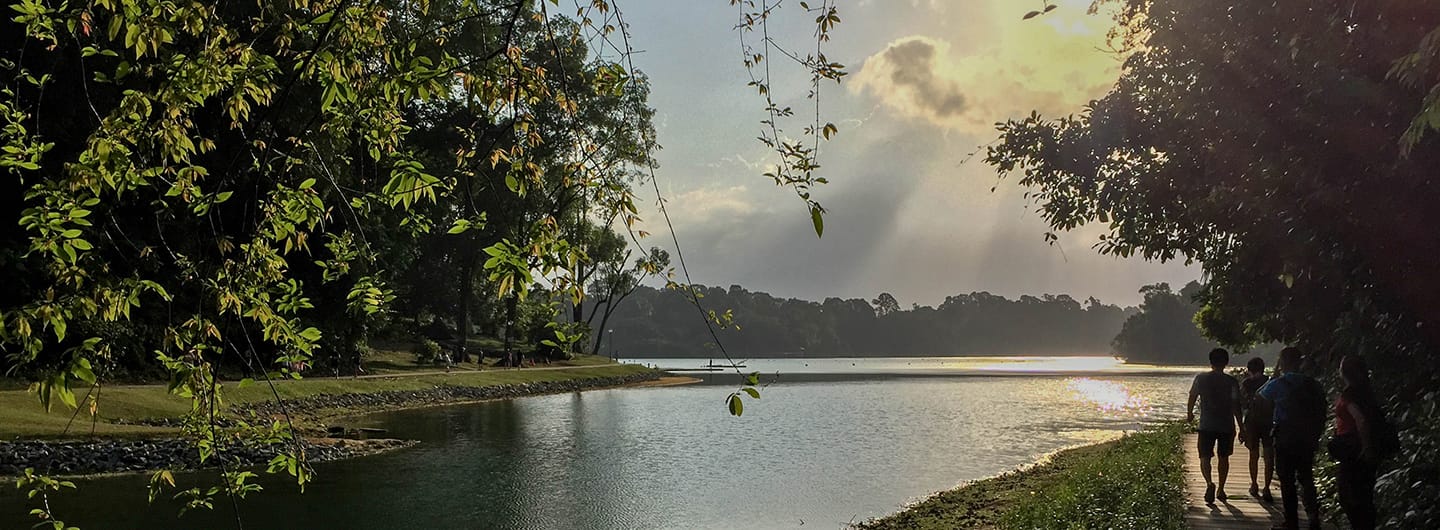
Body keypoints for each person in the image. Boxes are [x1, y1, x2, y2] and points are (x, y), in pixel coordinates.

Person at [1260, 347, 1327, 530]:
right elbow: (1322, 410)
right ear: (1300, 361)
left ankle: (1291, 522)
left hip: (1285, 436)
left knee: (1287, 479)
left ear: (1282, 362)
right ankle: (1314, 517)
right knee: (1306, 477)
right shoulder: (1313, 384)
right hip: (1307, 437)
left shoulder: (1278, 383)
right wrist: (1316, 434)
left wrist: (1275, 373)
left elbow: (1260, 397)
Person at [1187, 347, 1244, 505]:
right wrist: (1242, 427)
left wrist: (1189, 413)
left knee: (1204, 456)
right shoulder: (1231, 382)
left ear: (1210, 361)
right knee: (1223, 458)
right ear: (1226, 362)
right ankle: (1221, 489)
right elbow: (1235, 405)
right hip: (1226, 425)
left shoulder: (1201, 379)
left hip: (1206, 425)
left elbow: (1192, 396)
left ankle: (1209, 483)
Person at [1330, 356, 1381, 530]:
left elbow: (1361, 420)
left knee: (1348, 495)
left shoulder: (1350, 393)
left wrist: (1365, 447)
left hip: (1353, 449)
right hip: (1364, 448)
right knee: (1364, 494)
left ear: (1343, 372)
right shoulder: (1367, 391)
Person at [1241, 356, 1276, 503]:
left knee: (1253, 455)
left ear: (1249, 370)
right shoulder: (1271, 382)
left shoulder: (1247, 383)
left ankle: (1254, 484)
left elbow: (1242, 403)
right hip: (1268, 421)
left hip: (1252, 422)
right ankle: (1267, 487)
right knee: (1269, 456)